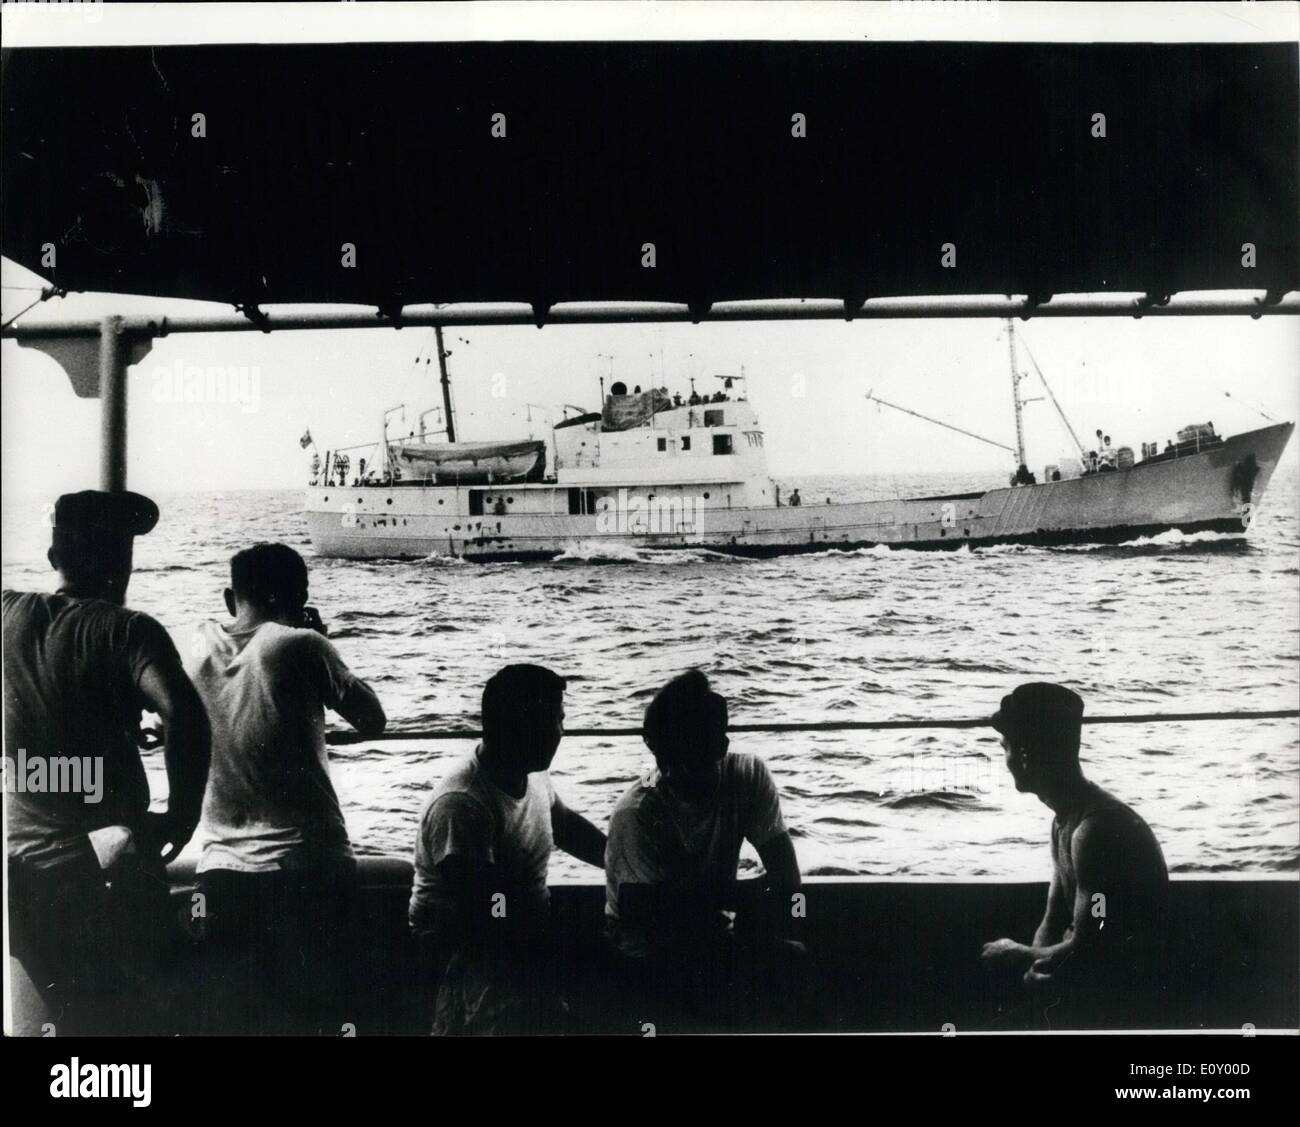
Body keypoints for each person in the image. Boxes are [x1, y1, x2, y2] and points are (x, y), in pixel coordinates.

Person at [3, 490, 211, 1035]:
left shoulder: (6, 613)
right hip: (104, 877)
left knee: (77, 1021)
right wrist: (181, 818)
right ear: (123, 561)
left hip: (21, 881)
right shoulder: (127, 631)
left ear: (54, 559)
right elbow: (186, 717)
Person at [187, 543, 386, 1034]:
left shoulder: (195, 648)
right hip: (307, 865)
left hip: (220, 874)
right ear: (298, 596)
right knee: (320, 1015)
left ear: (231, 597)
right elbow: (372, 720)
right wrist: (316, 637)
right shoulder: (299, 644)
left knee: (241, 1020)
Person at [604, 670, 810, 1031]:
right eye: (667, 760)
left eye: (691, 756)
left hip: (714, 936)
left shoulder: (748, 776)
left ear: (721, 746)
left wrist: (712, 905)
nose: (673, 772)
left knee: (796, 962)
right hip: (647, 956)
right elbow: (639, 917)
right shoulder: (636, 812)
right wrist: (742, 899)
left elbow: (789, 882)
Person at [408, 664, 606, 1035]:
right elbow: (486, 910)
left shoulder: (530, 771)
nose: (561, 732)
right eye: (553, 721)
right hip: (461, 951)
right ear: (519, 726)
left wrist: (622, 861)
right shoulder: (463, 804)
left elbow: (564, 826)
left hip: (515, 928)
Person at [980, 683, 1169, 1028]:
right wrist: (1033, 970)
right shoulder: (1064, 821)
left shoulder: (1094, 834)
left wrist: (1019, 954)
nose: (1004, 759)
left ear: (1025, 754)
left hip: (1123, 1004)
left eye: (1005, 748)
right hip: (1086, 984)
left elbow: (1096, 942)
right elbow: (1053, 922)